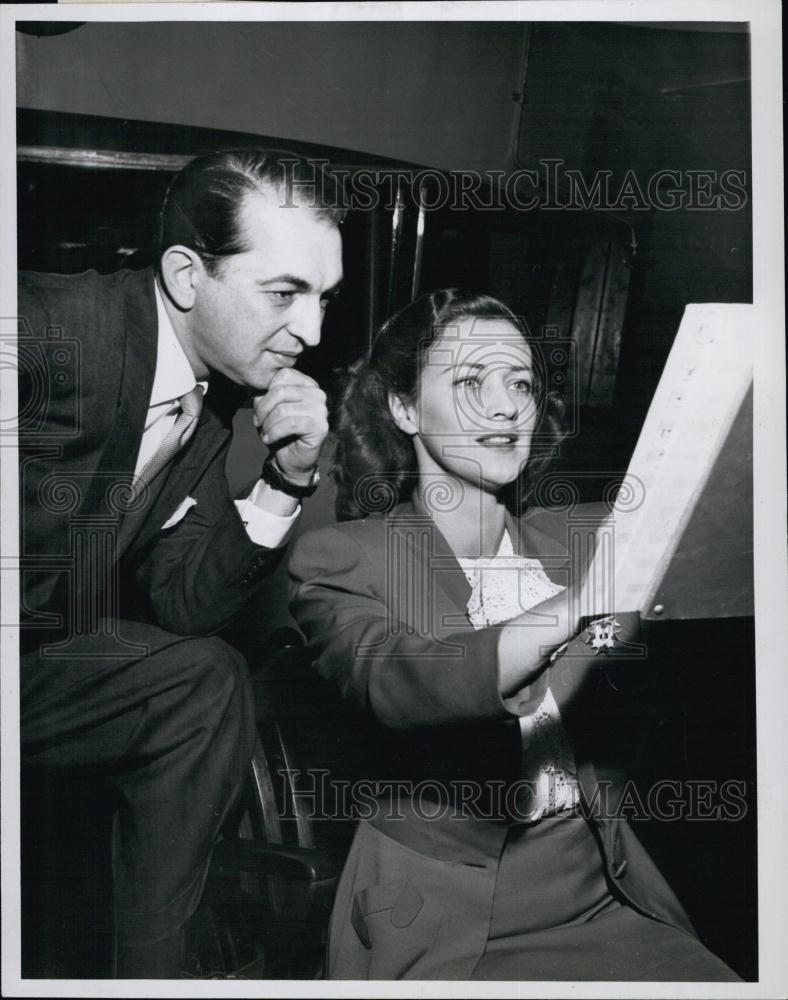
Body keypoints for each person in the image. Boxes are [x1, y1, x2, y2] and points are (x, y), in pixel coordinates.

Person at [288, 289, 741, 981]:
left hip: (601, 892)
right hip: (445, 918)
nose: (505, 406)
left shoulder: (588, 537)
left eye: (521, 383)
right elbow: (398, 677)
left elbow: (735, 516)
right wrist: (582, 604)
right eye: (470, 382)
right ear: (404, 409)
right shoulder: (346, 557)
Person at [18, 148, 344, 978]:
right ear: (187, 275)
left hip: (29, 664)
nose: (312, 332)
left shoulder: (203, 409)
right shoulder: (54, 329)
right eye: (284, 293)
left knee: (201, 680)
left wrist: (286, 478)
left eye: (323, 299)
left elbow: (185, 605)